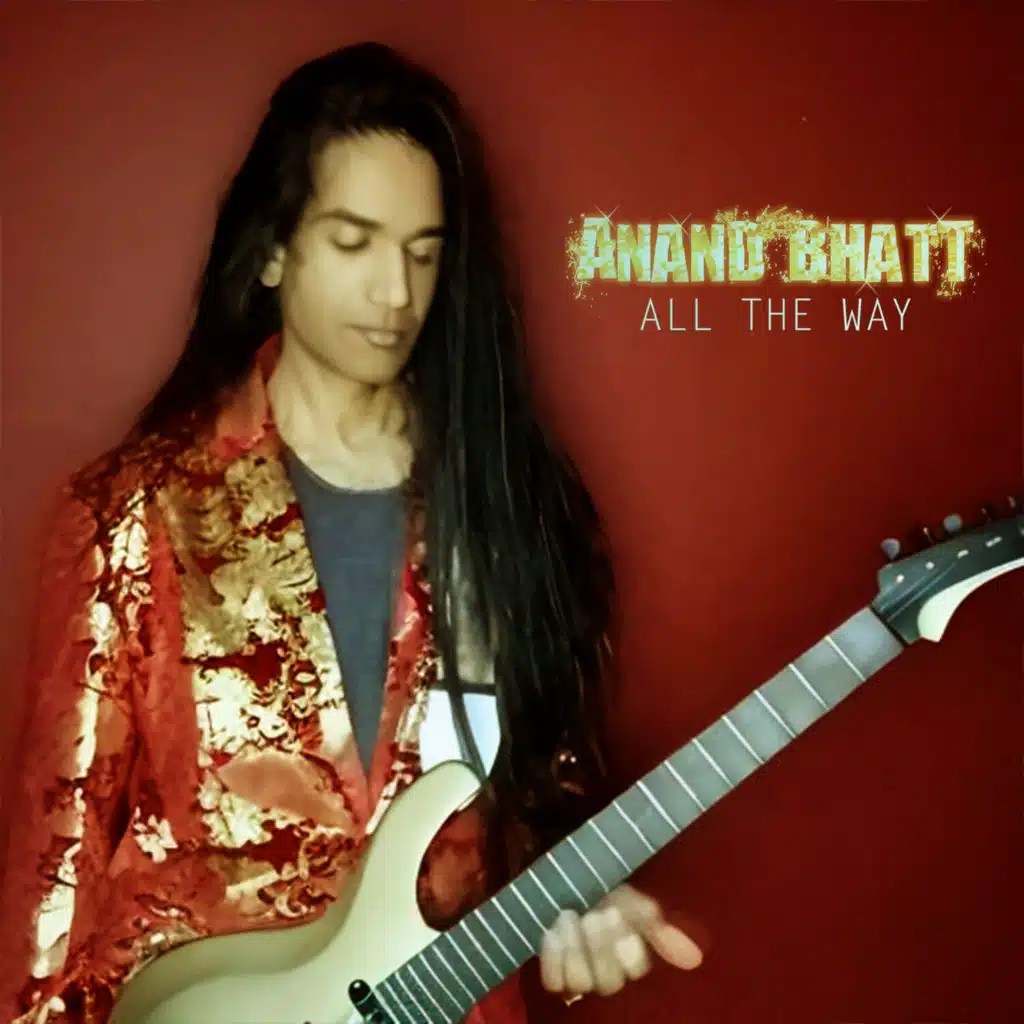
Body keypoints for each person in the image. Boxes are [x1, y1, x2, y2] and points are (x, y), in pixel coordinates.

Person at [0, 41, 703, 1023]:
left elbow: (547, 799)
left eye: (423, 252)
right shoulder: (130, 510)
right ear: (274, 248)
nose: (396, 294)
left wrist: (583, 899)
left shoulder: (510, 505)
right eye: (354, 242)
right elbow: (56, 866)